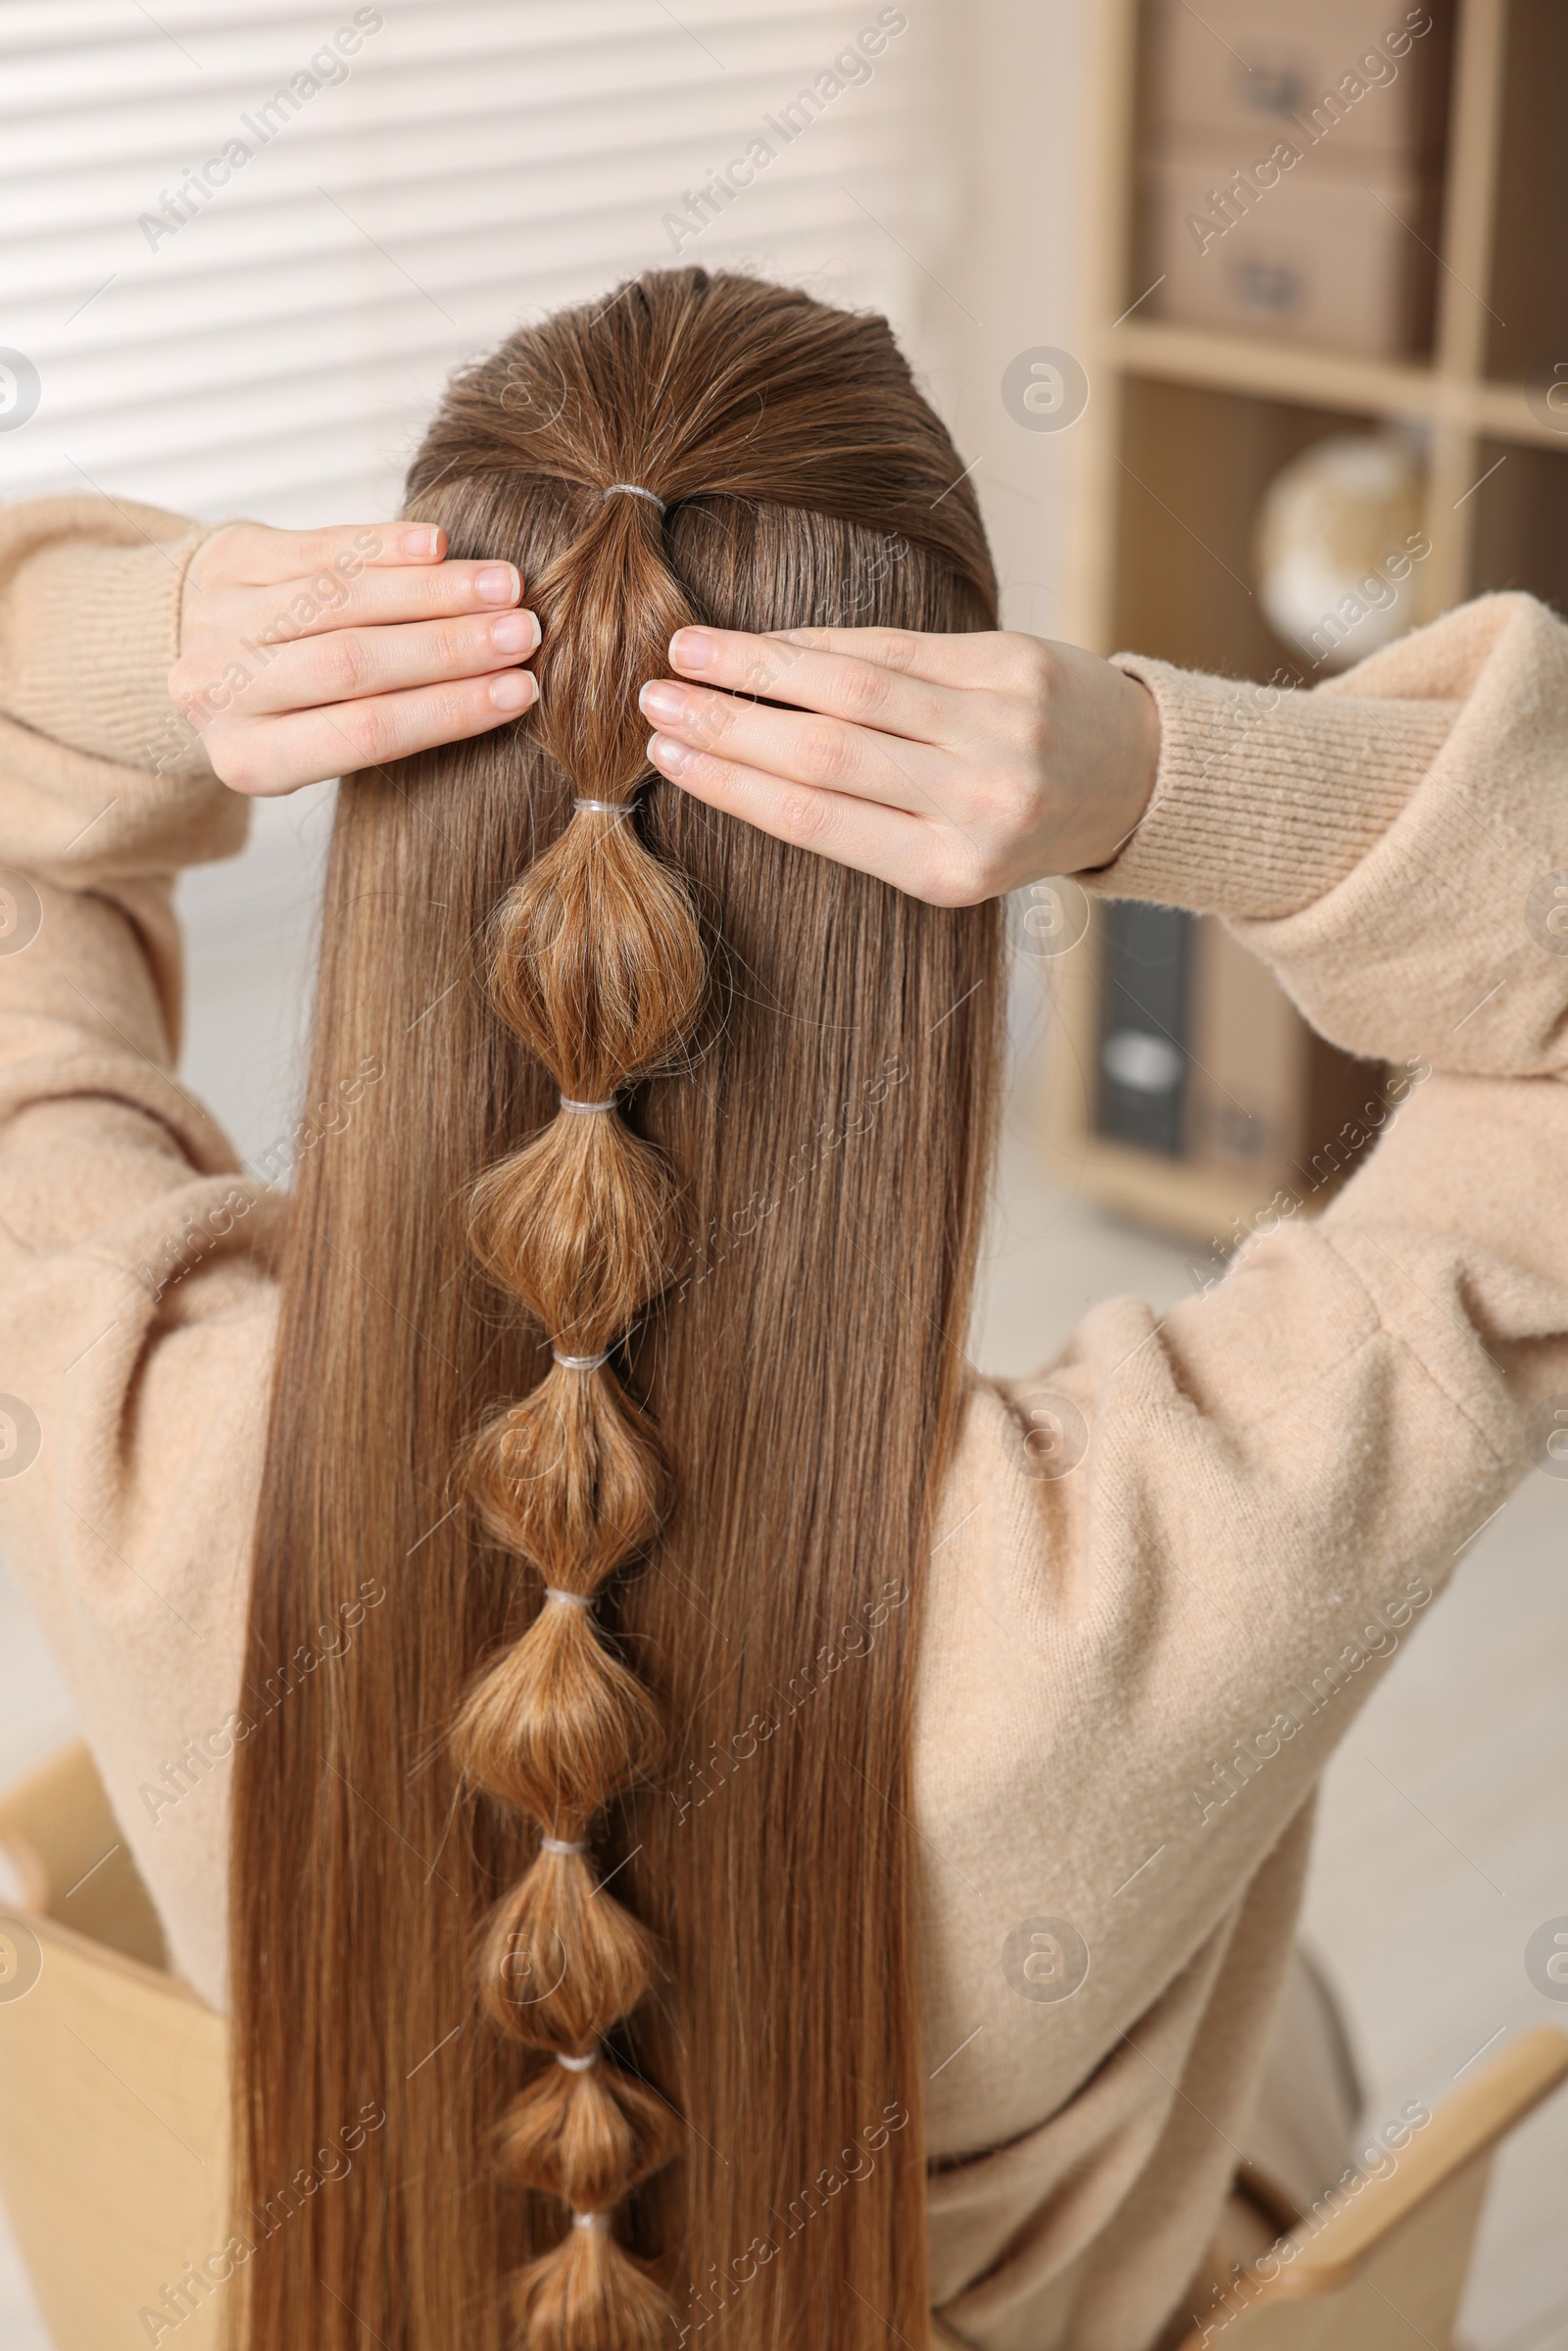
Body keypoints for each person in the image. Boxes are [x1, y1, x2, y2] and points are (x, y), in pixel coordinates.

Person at [0, 266, 1564, 2351]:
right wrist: (1160, 780)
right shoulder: (1146, 1562)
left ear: (394, 849)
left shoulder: (142, 1437)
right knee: (1283, 2013)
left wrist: (146, 641)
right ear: (928, 926)